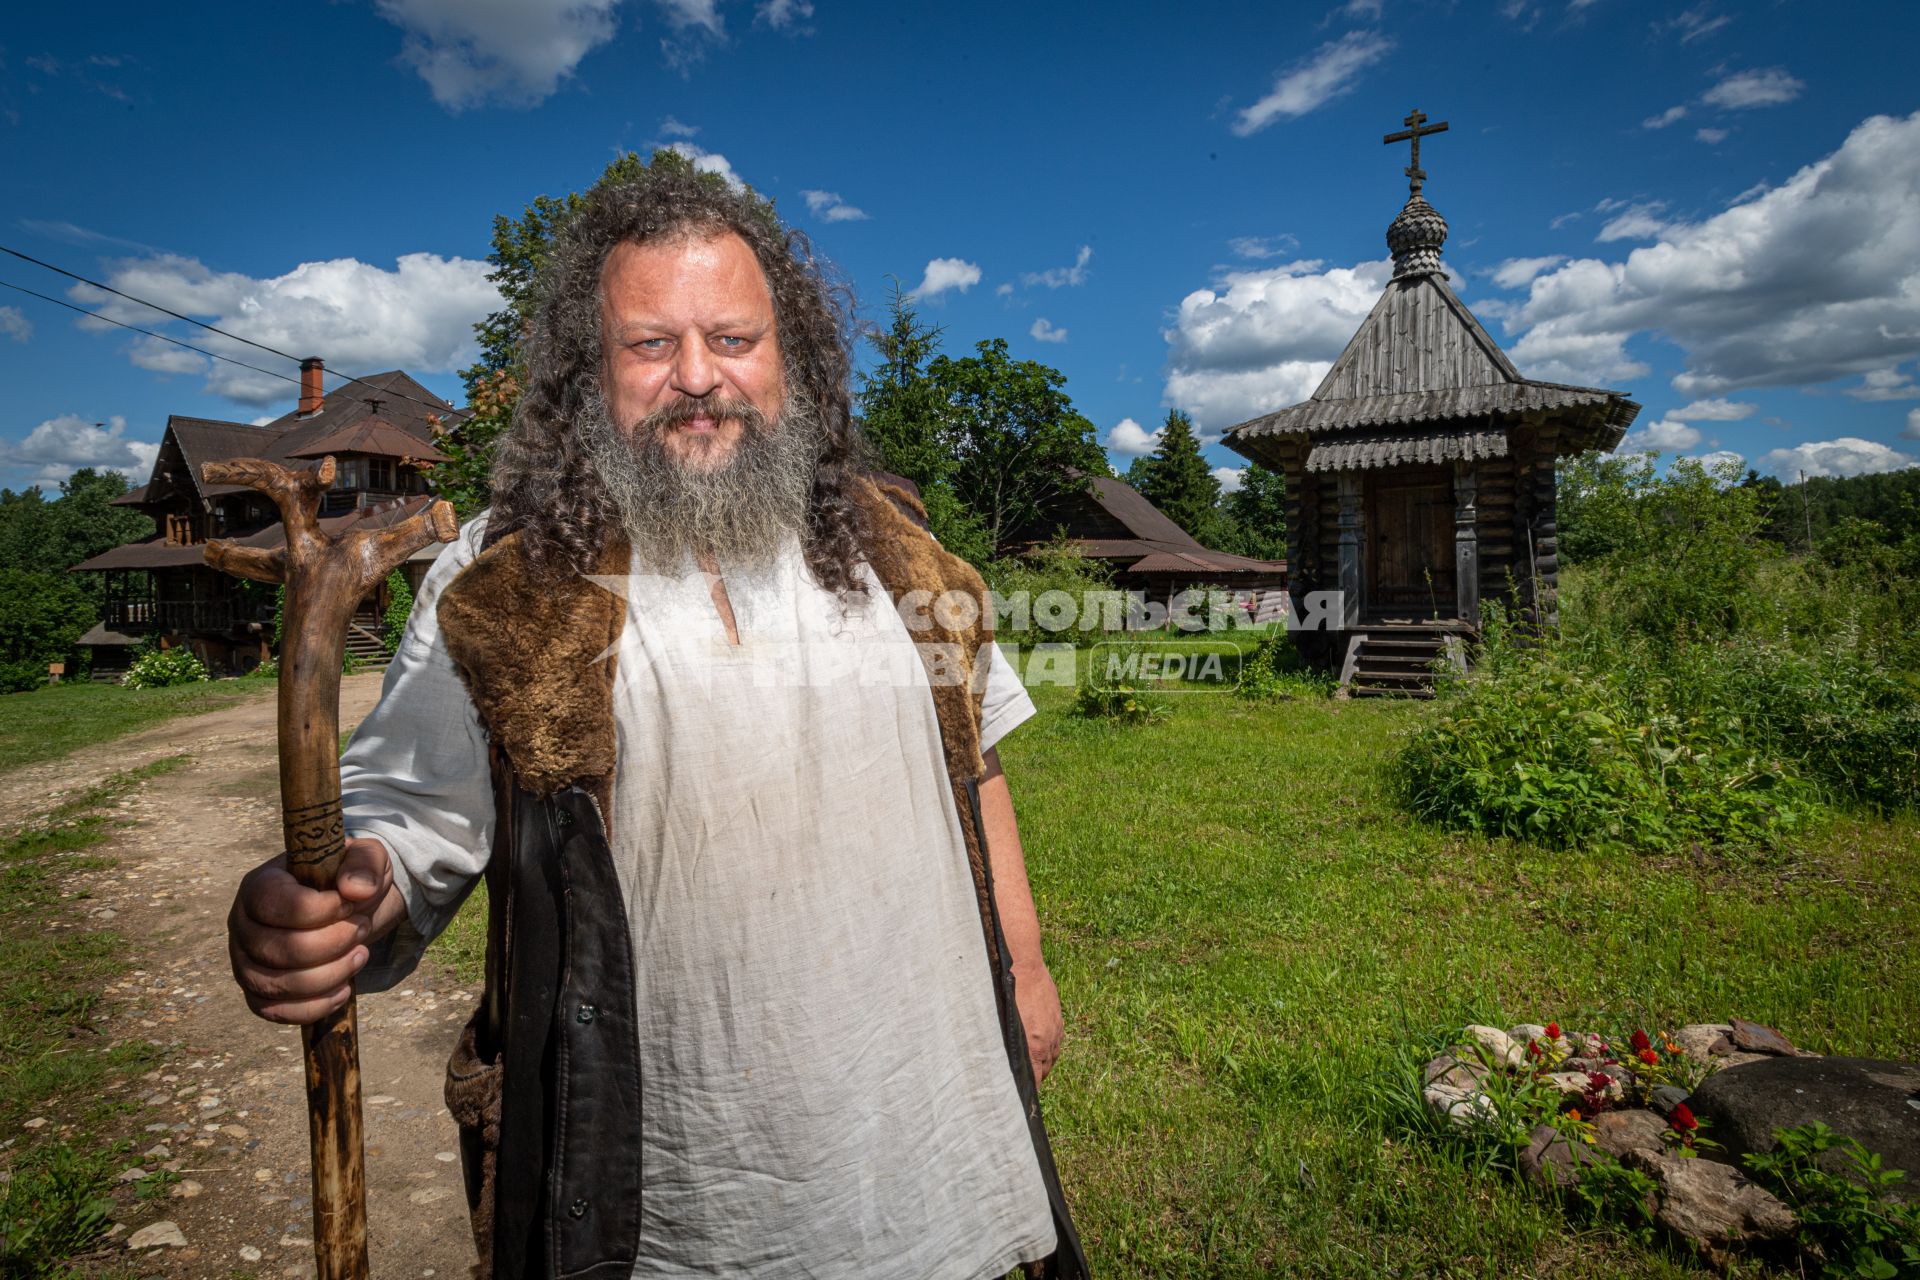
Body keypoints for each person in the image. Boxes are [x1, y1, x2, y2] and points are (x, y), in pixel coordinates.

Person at [225, 168, 1089, 1280]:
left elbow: (979, 767)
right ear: (588, 377)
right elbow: (408, 814)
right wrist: (340, 893)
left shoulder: (901, 552)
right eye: (648, 344)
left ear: (796, 360)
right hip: (679, 1197)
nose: (696, 377)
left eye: (732, 337)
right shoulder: (507, 579)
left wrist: (1024, 968)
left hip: (931, 1138)